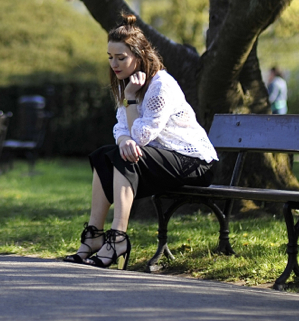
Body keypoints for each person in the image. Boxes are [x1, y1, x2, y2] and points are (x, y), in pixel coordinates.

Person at [62, 15, 218, 269]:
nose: (114, 63)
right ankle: (93, 236)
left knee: (125, 155)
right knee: (104, 154)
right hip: (160, 158)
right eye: (110, 57)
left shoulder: (160, 86)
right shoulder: (126, 84)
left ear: (140, 54)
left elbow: (142, 137)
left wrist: (132, 99)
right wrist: (123, 138)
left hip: (194, 162)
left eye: (121, 58)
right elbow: (122, 129)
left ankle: (118, 238)